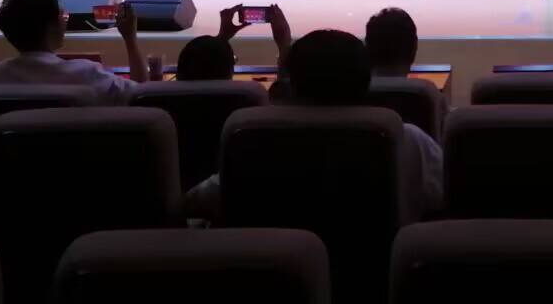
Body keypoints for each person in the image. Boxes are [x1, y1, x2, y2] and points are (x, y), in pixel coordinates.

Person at [186, 28, 442, 216]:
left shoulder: (254, 142)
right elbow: (450, 197)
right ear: (367, 84)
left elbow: (194, 203)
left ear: (292, 87)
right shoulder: (408, 139)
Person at [0, 0, 149, 102]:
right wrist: (130, 39)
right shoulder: (87, 75)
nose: (66, 20)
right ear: (51, 25)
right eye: (62, 15)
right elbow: (142, 96)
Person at [175, 3, 291, 81]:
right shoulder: (248, 101)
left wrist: (222, 37)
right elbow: (285, 98)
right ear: (229, 72)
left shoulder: (169, 106)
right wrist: (284, 46)